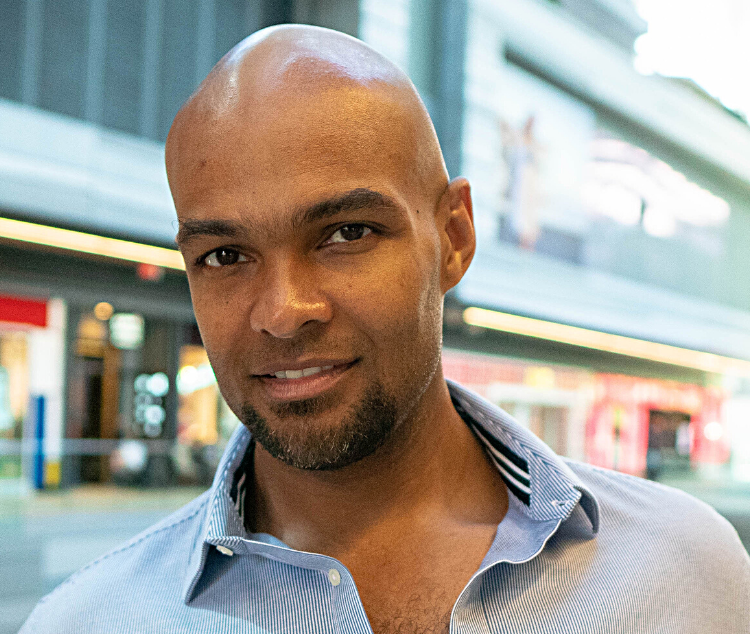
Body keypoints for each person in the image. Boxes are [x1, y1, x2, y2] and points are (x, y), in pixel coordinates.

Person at [21, 25, 749, 634]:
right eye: (226, 255)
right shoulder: (88, 622)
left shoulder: (684, 575)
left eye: (346, 233)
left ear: (455, 237)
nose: (282, 311)